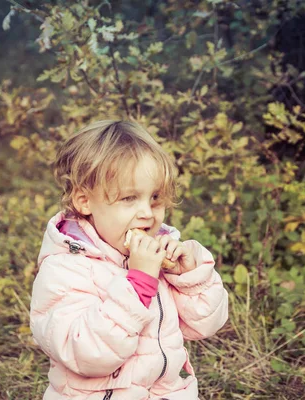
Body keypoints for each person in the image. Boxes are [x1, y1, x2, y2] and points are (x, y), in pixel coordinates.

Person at [30, 120, 229, 399]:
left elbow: (205, 325)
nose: (147, 213)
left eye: (155, 198)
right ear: (84, 201)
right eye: (129, 198)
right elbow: (87, 354)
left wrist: (190, 277)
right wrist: (138, 286)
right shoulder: (65, 268)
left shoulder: (156, 254)